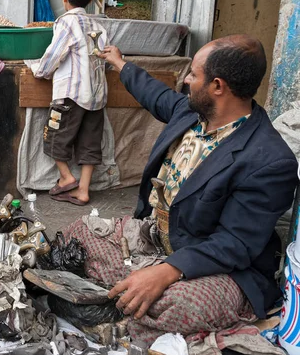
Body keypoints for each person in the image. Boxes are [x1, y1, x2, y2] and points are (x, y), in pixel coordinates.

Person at [75, 35, 299, 344]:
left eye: (193, 74)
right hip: (157, 239)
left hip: (218, 267)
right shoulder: (192, 112)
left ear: (218, 86)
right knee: (79, 233)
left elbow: (234, 243)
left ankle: (120, 315)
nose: (186, 80)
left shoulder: (269, 161)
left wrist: (168, 272)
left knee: (181, 306)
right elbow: (154, 94)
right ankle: (132, 299)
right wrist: (119, 63)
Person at [31, 0, 108, 206]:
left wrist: (39, 70)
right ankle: (83, 190)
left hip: (71, 96)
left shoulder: (66, 22)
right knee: (89, 143)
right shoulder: (99, 25)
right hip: (96, 96)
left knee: (54, 137)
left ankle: (66, 177)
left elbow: (54, 55)